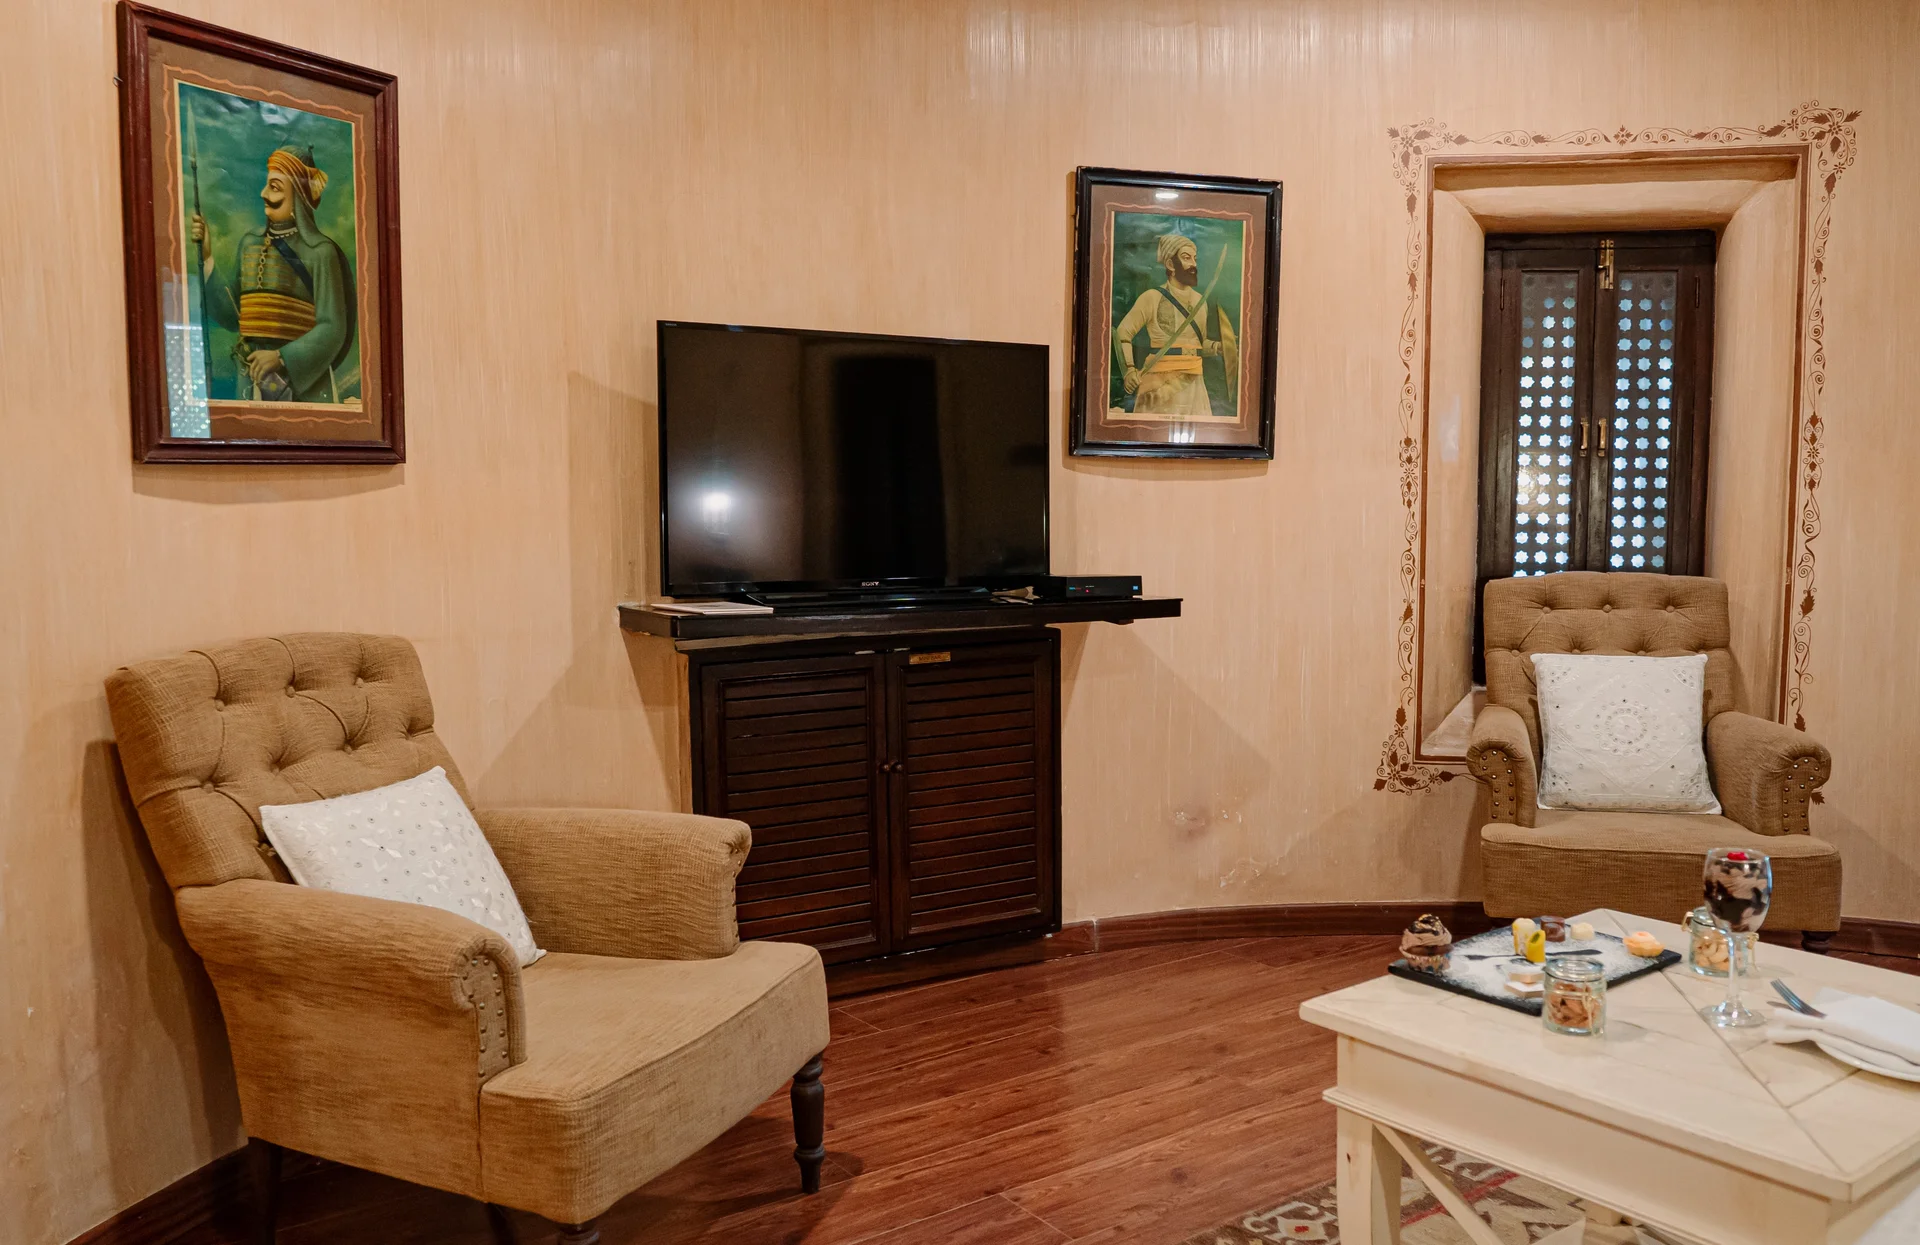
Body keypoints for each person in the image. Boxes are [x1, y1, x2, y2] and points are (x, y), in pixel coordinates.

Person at [192, 145, 356, 403]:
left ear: (298, 196)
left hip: (301, 388)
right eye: (267, 185)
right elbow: (234, 316)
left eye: (275, 187)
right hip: (250, 381)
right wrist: (207, 257)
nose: (264, 194)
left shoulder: (321, 252)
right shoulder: (250, 243)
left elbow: (332, 328)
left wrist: (281, 357)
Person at [1110, 232, 1237, 418]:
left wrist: (1218, 347)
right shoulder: (1151, 298)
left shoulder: (1200, 302)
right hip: (1157, 385)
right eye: (1186, 257)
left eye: (1194, 258)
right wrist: (1129, 370)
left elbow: (1197, 345)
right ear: (1170, 264)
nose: (1193, 264)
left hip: (1194, 383)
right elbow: (1123, 333)